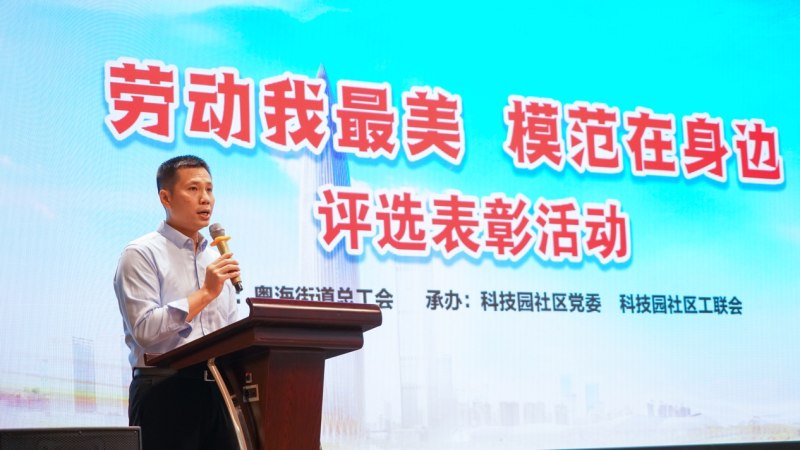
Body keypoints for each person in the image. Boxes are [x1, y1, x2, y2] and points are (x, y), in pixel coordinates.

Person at [114, 155, 241, 450]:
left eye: (209, 189)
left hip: (218, 391)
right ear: (166, 198)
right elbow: (145, 330)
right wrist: (205, 293)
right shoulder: (141, 253)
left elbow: (231, 332)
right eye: (193, 189)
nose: (205, 198)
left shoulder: (216, 259)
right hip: (164, 392)